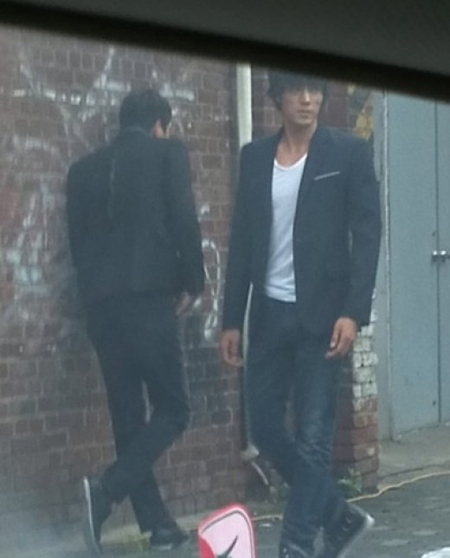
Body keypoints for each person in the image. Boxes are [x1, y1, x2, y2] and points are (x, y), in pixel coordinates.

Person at [220, 71, 381, 558]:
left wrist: (353, 311)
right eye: (296, 90)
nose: (307, 100)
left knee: (313, 435)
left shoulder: (347, 154)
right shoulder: (254, 158)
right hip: (269, 312)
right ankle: (338, 516)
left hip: (324, 317)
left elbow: (367, 234)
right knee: (266, 427)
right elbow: (242, 240)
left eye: (314, 90)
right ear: (277, 97)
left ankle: (296, 544)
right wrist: (232, 318)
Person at [67, 89, 204, 554]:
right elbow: (184, 220)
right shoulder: (167, 155)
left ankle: (158, 526)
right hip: (148, 301)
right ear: (159, 125)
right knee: (174, 408)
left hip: (100, 308)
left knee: (128, 417)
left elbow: (78, 246)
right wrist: (193, 282)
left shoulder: (82, 171)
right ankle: (105, 491)